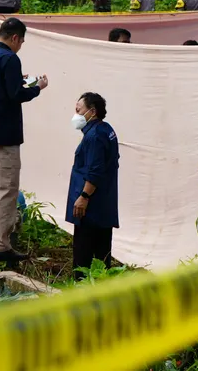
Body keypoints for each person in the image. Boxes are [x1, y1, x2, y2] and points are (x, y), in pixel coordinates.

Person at [0, 18, 48, 262]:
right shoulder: (9, 59)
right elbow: (15, 94)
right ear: (14, 37)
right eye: (21, 41)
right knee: (4, 189)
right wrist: (37, 87)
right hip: (4, 135)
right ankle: (0, 245)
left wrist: (19, 80)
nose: (21, 46)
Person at [66, 93, 119, 278]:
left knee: (84, 255)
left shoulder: (95, 136)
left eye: (78, 109)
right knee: (102, 254)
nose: (76, 113)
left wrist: (84, 197)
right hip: (103, 206)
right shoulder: (106, 130)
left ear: (92, 111)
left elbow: (95, 170)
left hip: (91, 208)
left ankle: (82, 293)